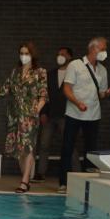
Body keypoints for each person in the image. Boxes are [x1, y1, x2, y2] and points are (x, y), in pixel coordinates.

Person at [59, 37, 110, 192]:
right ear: (92, 48)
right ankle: (63, 182)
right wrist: (77, 103)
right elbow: (66, 89)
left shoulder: (102, 70)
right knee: (67, 147)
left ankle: (87, 184)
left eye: (105, 49)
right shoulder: (75, 65)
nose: (104, 52)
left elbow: (101, 94)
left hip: (93, 115)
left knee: (90, 150)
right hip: (74, 113)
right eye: (102, 49)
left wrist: (107, 93)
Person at [0, 42, 46, 193]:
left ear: (32, 55)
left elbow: (43, 95)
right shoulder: (15, 72)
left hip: (30, 117)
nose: (23, 56)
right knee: (20, 150)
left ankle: (24, 181)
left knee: (28, 147)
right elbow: (1, 91)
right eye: (21, 53)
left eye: (26, 53)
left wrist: (36, 110)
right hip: (14, 116)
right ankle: (25, 177)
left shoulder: (40, 72)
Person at [35, 47, 71, 182]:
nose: (60, 56)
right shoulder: (50, 74)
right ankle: (41, 173)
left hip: (66, 115)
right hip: (50, 114)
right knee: (44, 144)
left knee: (69, 144)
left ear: (69, 57)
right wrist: (43, 112)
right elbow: (44, 94)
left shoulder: (73, 74)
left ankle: (75, 173)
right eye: (58, 54)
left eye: (63, 54)